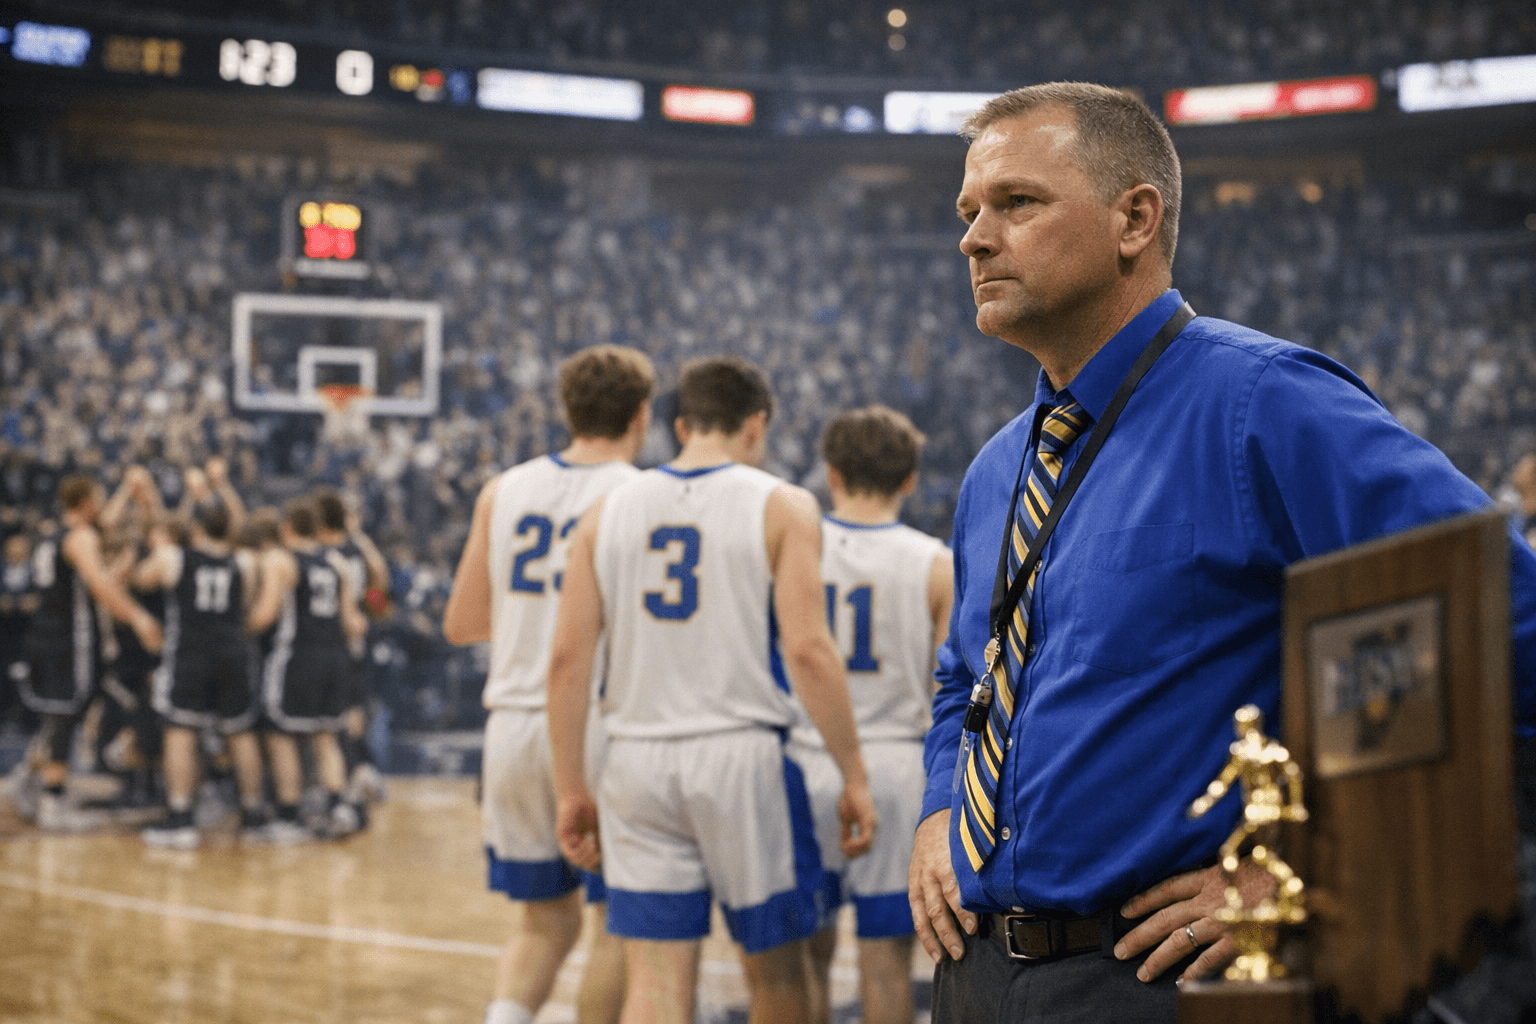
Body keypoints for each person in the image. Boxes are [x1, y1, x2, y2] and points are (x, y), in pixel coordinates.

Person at [906, 81, 1536, 1022]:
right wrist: (937, 809)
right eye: (969, 212)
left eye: (1016, 202)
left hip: (1161, 975)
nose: (974, 238)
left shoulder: (1266, 403)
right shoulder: (1000, 467)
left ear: (1135, 219)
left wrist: (1312, 867)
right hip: (977, 974)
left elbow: (1500, 625)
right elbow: (967, 677)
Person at [547, 354, 879, 1024]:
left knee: (655, 984)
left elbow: (565, 662)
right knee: (777, 975)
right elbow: (809, 651)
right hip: (741, 757)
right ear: (755, 425)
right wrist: (853, 772)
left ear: (679, 426)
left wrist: (571, 787)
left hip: (635, 760)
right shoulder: (783, 504)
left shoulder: (603, 513)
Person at [442, 344, 656, 1024]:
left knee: (543, 921)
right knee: (617, 926)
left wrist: (527, 620)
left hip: (511, 725)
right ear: (642, 415)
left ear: (567, 410)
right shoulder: (642, 497)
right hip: (595, 722)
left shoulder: (502, 489)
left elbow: (462, 621)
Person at [791, 406, 953, 1024]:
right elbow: (949, 684)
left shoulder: (795, 549)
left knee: (806, 956)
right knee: (885, 964)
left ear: (831, 475)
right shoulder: (936, 563)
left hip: (809, 757)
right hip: (896, 768)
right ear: (910, 479)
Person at [16, 472, 163, 831]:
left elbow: (104, 524)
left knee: (60, 715)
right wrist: (139, 617)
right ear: (86, 503)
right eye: (99, 497)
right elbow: (100, 585)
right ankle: (52, 801)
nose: (103, 503)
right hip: (72, 641)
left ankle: (27, 781)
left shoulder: (52, 532)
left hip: (45, 636)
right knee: (67, 717)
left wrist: (127, 491)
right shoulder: (81, 538)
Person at [135, 502, 267, 848]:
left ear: (197, 529)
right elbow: (247, 603)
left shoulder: (174, 557)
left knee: (180, 730)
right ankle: (253, 816)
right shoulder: (245, 561)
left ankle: (181, 817)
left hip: (190, 653)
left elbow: (141, 579)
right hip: (233, 652)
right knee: (240, 732)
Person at [247, 496, 367, 843]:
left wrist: (238, 627)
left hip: (296, 658)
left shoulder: (281, 560)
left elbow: (266, 614)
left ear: (286, 528)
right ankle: (338, 806)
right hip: (335, 658)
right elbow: (354, 622)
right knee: (325, 736)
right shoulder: (336, 563)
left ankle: (289, 815)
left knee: (281, 734)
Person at [314, 486, 390, 816]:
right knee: (353, 710)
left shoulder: (323, 552)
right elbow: (380, 583)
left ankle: (351, 776)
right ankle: (361, 769)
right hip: (353, 640)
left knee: (336, 717)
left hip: (328, 640)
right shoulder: (358, 551)